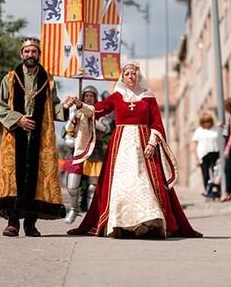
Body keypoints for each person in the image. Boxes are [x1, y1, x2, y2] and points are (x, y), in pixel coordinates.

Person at [68, 61, 201, 238]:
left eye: (133, 73)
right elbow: (96, 110)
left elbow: (157, 123)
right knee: (121, 184)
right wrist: (79, 104)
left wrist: (152, 143)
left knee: (144, 184)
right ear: (122, 77)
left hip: (143, 145)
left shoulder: (148, 97)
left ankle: (148, 224)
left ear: (138, 76)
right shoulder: (116, 96)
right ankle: (121, 225)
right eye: (127, 74)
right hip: (120, 147)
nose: (131, 76)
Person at [0, 37, 68, 237]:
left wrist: (68, 106)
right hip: (15, 137)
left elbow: (54, 108)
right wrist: (18, 120)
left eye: (34, 51)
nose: (30, 55)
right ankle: (12, 223)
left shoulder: (48, 81)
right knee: (15, 178)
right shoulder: (9, 79)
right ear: (21, 54)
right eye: (26, 52)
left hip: (40, 138)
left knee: (36, 178)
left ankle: (30, 224)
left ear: (39, 55)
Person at [62, 85, 111, 224]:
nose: (89, 98)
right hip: (78, 152)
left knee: (92, 187)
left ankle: (92, 215)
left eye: (91, 96)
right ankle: (74, 208)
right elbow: (68, 131)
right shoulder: (75, 113)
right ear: (83, 97)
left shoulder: (101, 112)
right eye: (86, 96)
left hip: (95, 152)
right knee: (72, 186)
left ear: (95, 98)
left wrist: (92, 116)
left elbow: (106, 128)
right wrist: (70, 140)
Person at [191, 112, 220, 198]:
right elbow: (194, 145)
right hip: (203, 154)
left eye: (208, 122)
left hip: (215, 153)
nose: (206, 124)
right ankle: (208, 190)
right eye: (204, 122)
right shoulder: (199, 131)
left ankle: (216, 190)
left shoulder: (215, 129)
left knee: (216, 172)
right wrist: (196, 159)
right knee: (205, 173)